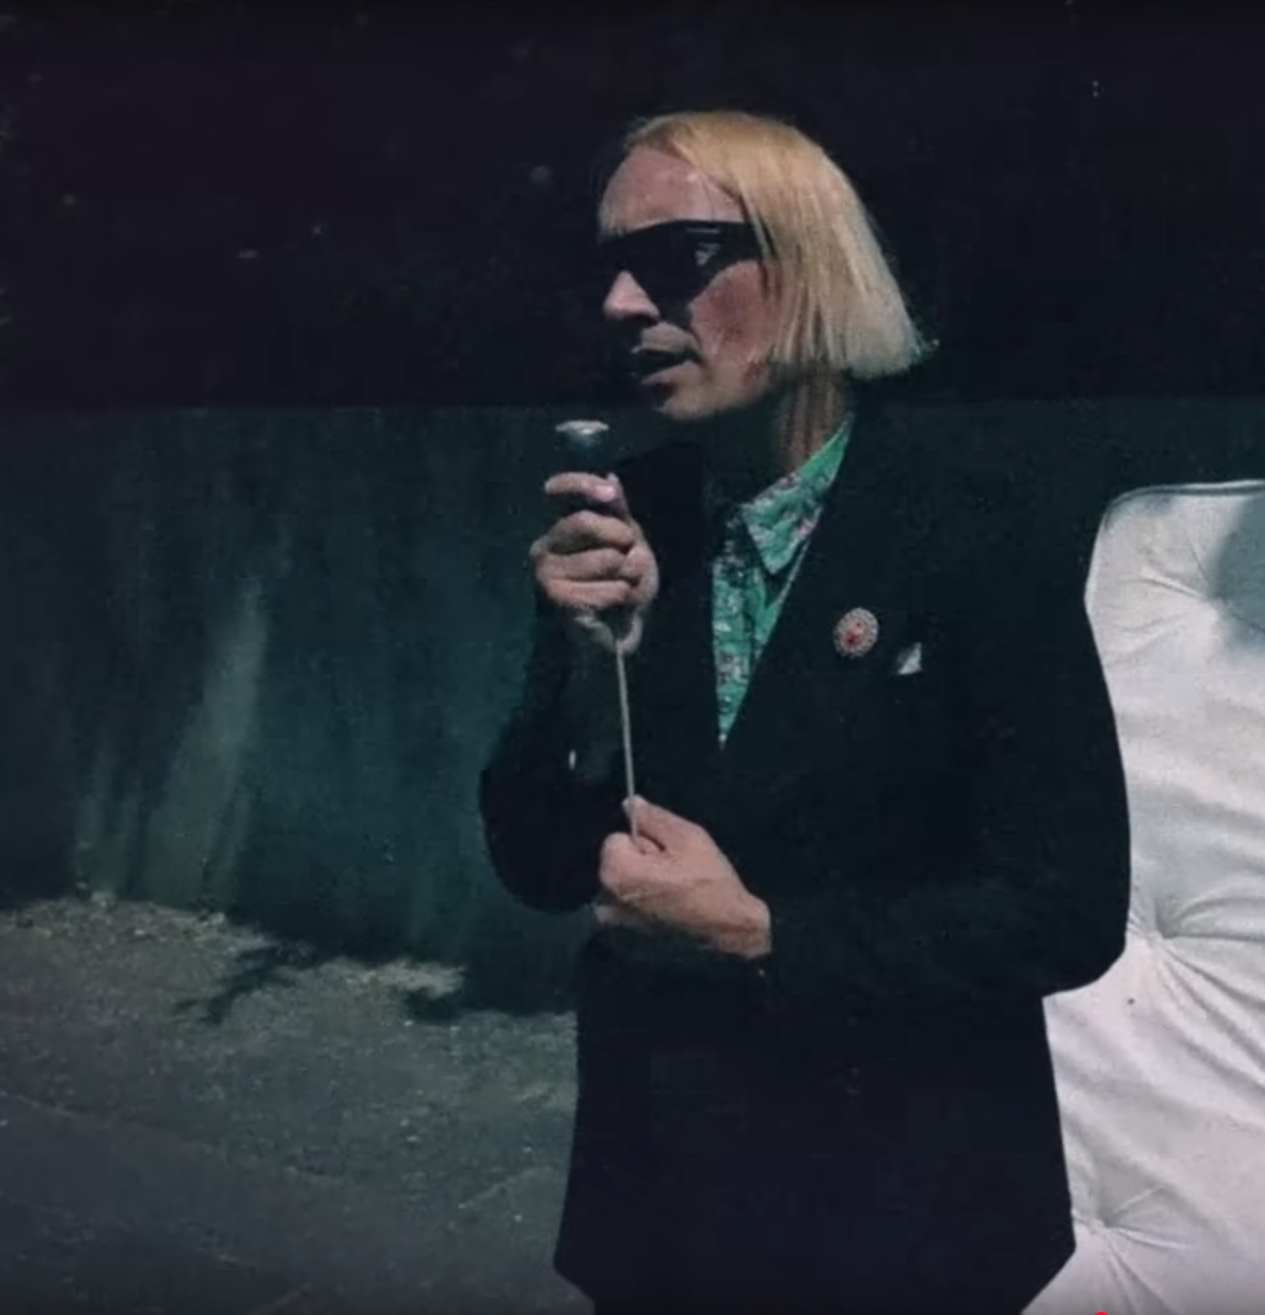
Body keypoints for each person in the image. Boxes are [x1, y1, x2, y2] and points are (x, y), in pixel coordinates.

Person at [476, 109, 1131, 1315]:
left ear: (810, 263)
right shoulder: (623, 525)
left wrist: (764, 934)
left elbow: (1068, 910)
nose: (621, 303)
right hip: (665, 1210)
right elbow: (537, 864)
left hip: (904, 1211)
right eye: (607, 266)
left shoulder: (975, 538)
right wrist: (577, 678)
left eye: (677, 258)